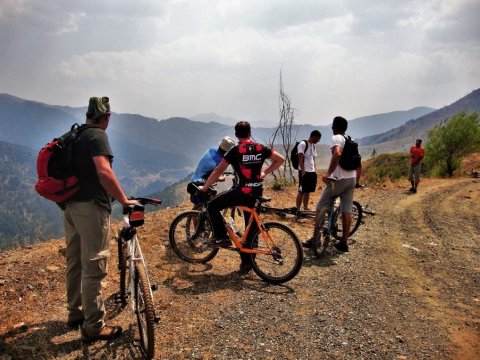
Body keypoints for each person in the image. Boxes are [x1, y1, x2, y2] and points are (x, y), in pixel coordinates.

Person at [63, 97, 138, 342]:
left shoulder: (73, 134)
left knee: (75, 261)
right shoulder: (97, 136)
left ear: (87, 114)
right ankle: (94, 326)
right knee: (94, 265)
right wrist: (125, 200)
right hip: (91, 208)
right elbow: (104, 172)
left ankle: (75, 313)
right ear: (106, 117)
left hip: (70, 206)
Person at [200, 121, 285, 273]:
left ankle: (222, 237)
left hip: (241, 193)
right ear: (250, 132)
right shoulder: (260, 148)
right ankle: (248, 263)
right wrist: (265, 172)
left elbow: (218, 170)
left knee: (212, 206)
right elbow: (280, 159)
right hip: (256, 192)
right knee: (251, 227)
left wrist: (205, 187)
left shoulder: (235, 150)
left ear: (237, 134)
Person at [303, 116, 361, 253]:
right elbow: (359, 163)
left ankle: (315, 239)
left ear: (334, 127)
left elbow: (337, 154)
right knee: (347, 210)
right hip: (351, 179)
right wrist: (356, 181)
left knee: (320, 206)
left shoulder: (337, 138)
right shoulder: (351, 141)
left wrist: (328, 174)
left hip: (338, 179)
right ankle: (344, 243)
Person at [190, 136, 235, 207]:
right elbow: (214, 175)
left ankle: (193, 216)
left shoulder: (212, 149)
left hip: (195, 178)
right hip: (200, 182)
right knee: (205, 206)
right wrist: (221, 178)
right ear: (227, 152)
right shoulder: (218, 162)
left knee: (198, 206)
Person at [295, 130, 321, 211]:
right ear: (314, 137)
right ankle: (298, 209)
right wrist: (303, 171)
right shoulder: (303, 144)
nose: (318, 141)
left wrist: (314, 170)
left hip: (311, 171)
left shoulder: (313, 145)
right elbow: (300, 156)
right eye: (318, 139)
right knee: (301, 191)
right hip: (304, 171)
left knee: (308, 191)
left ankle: (305, 208)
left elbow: (313, 158)